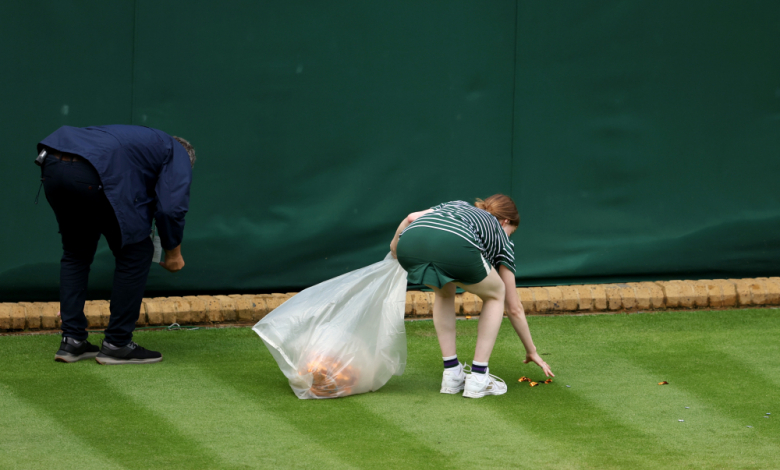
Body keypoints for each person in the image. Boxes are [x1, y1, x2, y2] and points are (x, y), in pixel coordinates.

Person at [37, 125, 195, 365]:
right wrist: (174, 252)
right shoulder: (178, 153)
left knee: (76, 252)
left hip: (52, 164)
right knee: (137, 252)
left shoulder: (138, 145)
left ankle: (72, 341)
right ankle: (117, 344)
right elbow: (170, 209)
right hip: (90, 172)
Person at [390, 195, 553, 398]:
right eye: (511, 231)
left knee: (444, 289)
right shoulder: (500, 236)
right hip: (456, 244)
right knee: (496, 293)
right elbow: (513, 307)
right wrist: (532, 351)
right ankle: (478, 378)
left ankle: (451, 374)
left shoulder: (455, 205)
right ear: (506, 221)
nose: (509, 236)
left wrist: (394, 245)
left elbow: (411, 217)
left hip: (410, 243)